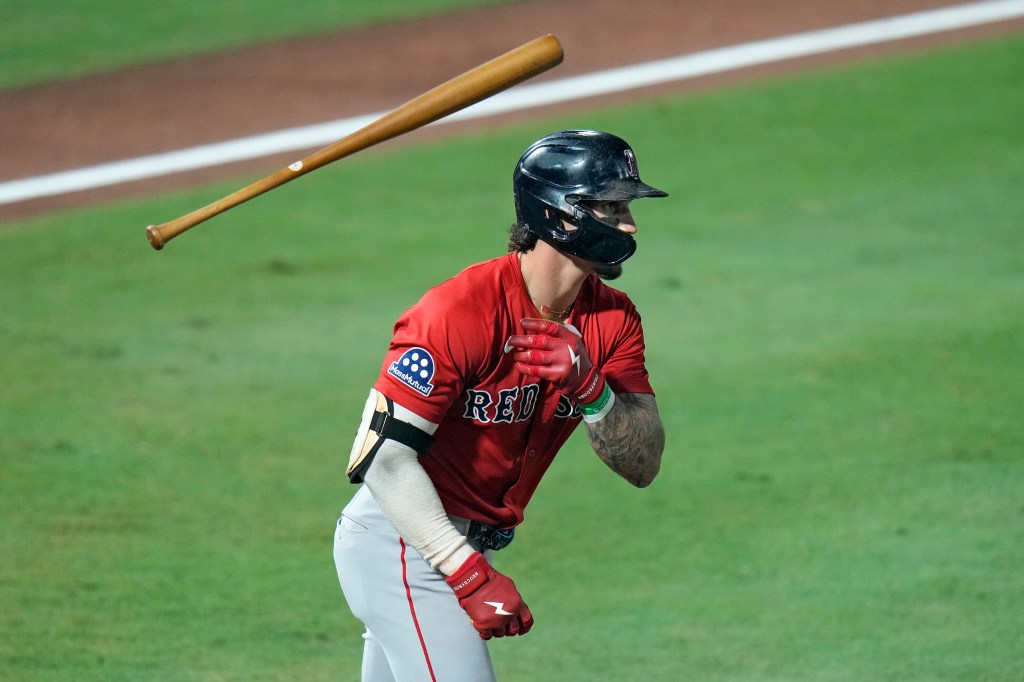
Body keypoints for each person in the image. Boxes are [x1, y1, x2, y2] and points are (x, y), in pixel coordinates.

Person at [333, 129, 667, 682]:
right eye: (611, 208)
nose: (629, 225)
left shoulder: (614, 319)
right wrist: (465, 573)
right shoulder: (458, 310)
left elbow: (644, 464)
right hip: (406, 545)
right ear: (558, 214)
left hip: (454, 547)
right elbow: (382, 459)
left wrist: (591, 387)